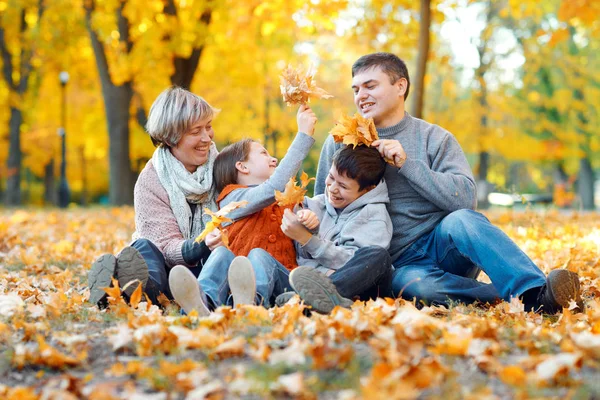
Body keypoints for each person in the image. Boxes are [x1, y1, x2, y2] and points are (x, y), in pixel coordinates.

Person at [314, 52, 583, 314]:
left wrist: (408, 165)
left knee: (463, 220)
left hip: (443, 245)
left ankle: (537, 293)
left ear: (400, 86)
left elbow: (465, 200)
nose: (361, 96)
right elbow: (322, 208)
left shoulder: (434, 138)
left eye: (370, 86)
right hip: (395, 265)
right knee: (415, 287)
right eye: (356, 89)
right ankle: (505, 295)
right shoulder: (340, 141)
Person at [167, 105, 319, 314]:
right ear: (242, 167)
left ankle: (252, 305)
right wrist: (302, 136)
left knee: (259, 255)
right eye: (264, 154)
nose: (273, 159)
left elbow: (304, 248)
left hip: (282, 281)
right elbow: (271, 189)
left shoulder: (289, 201)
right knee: (221, 254)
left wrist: (309, 222)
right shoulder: (233, 198)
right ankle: (202, 303)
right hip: (234, 288)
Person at [87, 87, 225, 307]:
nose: (206, 137)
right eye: (195, 131)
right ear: (171, 137)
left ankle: (118, 288)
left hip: (209, 266)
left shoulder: (223, 167)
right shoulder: (151, 180)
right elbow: (166, 245)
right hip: (170, 265)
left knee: (220, 262)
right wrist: (200, 245)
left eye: (208, 127)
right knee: (145, 248)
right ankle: (126, 286)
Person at [278, 145, 393, 314]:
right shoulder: (313, 205)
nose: (332, 189)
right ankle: (304, 301)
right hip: (313, 280)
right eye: (331, 177)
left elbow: (352, 264)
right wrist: (304, 226)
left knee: (378, 256)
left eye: (343, 186)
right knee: (264, 258)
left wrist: (308, 240)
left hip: (358, 289)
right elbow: (299, 261)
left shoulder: (375, 216)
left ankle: (319, 298)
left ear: (368, 190)